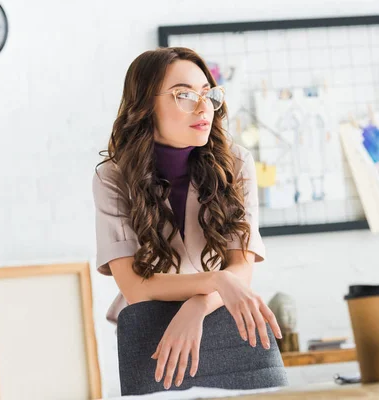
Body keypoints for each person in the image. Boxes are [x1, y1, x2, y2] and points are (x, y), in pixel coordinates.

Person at [92, 47, 289, 396]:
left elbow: (240, 270)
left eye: (207, 94)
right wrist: (216, 280)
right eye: (184, 95)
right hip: (153, 333)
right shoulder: (113, 176)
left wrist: (197, 305)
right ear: (144, 105)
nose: (203, 108)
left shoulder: (237, 163)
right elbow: (135, 287)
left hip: (229, 322)